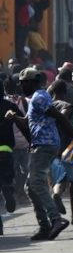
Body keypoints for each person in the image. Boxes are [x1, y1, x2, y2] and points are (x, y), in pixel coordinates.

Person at [6, 68, 73, 241]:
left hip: (45, 145)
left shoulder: (40, 97)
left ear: (31, 82)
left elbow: (60, 117)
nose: (21, 86)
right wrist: (14, 118)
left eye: (23, 83)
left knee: (36, 182)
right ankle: (45, 226)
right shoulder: (36, 98)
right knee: (31, 186)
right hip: (42, 145)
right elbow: (28, 124)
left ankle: (56, 219)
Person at [49, 80, 73, 224]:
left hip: (50, 147)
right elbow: (67, 124)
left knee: (58, 179)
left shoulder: (47, 106)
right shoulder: (66, 106)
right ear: (65, 92)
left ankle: (56, 196)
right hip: (67, 147)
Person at [0, 81, 30, 235]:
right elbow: (23, 123)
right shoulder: (8, 105)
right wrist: (30, 141)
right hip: (5, 150)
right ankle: (8, 190)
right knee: (6, 178)